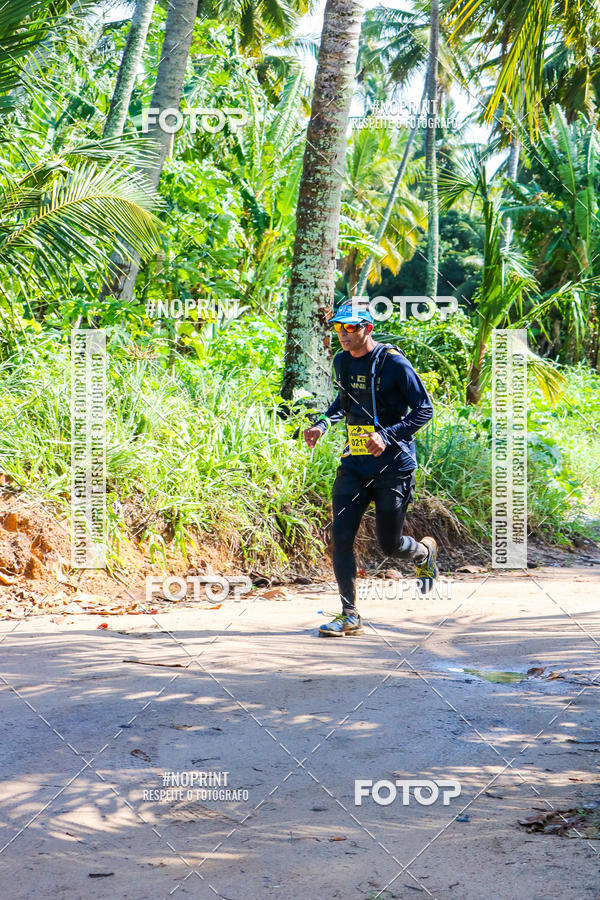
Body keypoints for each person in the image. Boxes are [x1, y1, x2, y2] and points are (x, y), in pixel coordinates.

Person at [303, 302, 438, 637]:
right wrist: (323, 423)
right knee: (341, 536)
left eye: (350, 328)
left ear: (368, 328)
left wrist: (387, 436)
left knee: (389, 545)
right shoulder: (342, 361)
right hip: (355, 463)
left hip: (393, 466)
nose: (343, 335)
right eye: (339, 328)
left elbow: (424, 409)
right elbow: (344, 402)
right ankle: (349, 615)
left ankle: (423, 553)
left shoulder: (393, 363)